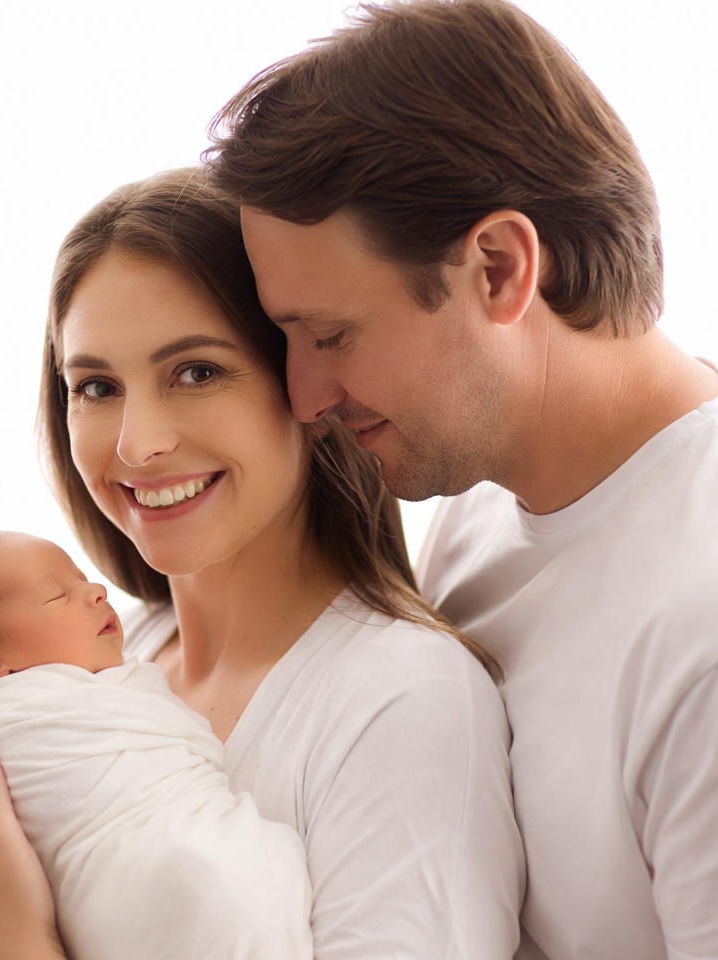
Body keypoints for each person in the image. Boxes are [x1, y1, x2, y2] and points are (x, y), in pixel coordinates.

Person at [0, 166, 524, 960]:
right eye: (96, 386)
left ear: (304, 386)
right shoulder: (100, 670)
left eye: (196, 372)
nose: (138, 444)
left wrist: (16, 939)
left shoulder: (403, 699)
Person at [204, 2, 718, 958]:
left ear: (497, 268)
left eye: (331, 336)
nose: (306, 394)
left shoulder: (701, 627)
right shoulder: (480, 501)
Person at [0, 530, 313, 960]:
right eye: (58, 596)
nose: (97, 592)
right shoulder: (9, 727)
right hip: (153, 886)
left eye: (84, 579)